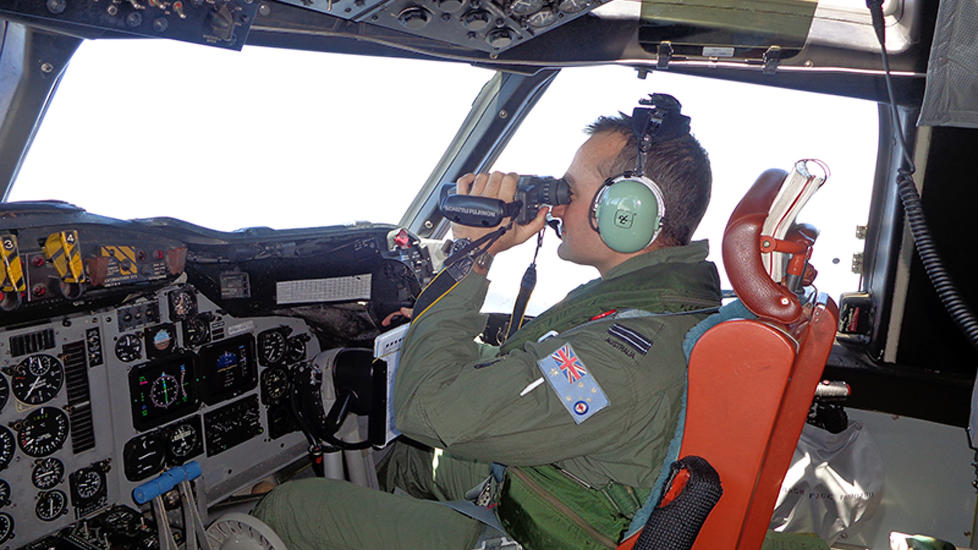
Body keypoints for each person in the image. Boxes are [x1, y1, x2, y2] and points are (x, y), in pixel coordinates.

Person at [252, 110, 720, 550]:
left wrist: (473, 254)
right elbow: (542, 377)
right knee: (411, 461)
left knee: (288, 508)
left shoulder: (622, 356)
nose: (554, 210)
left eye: (569, 193)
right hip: (561, 484)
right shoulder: (653, 312)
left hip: (548, 530)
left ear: (627, 211)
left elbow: (427, 409)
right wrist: (447, 338)